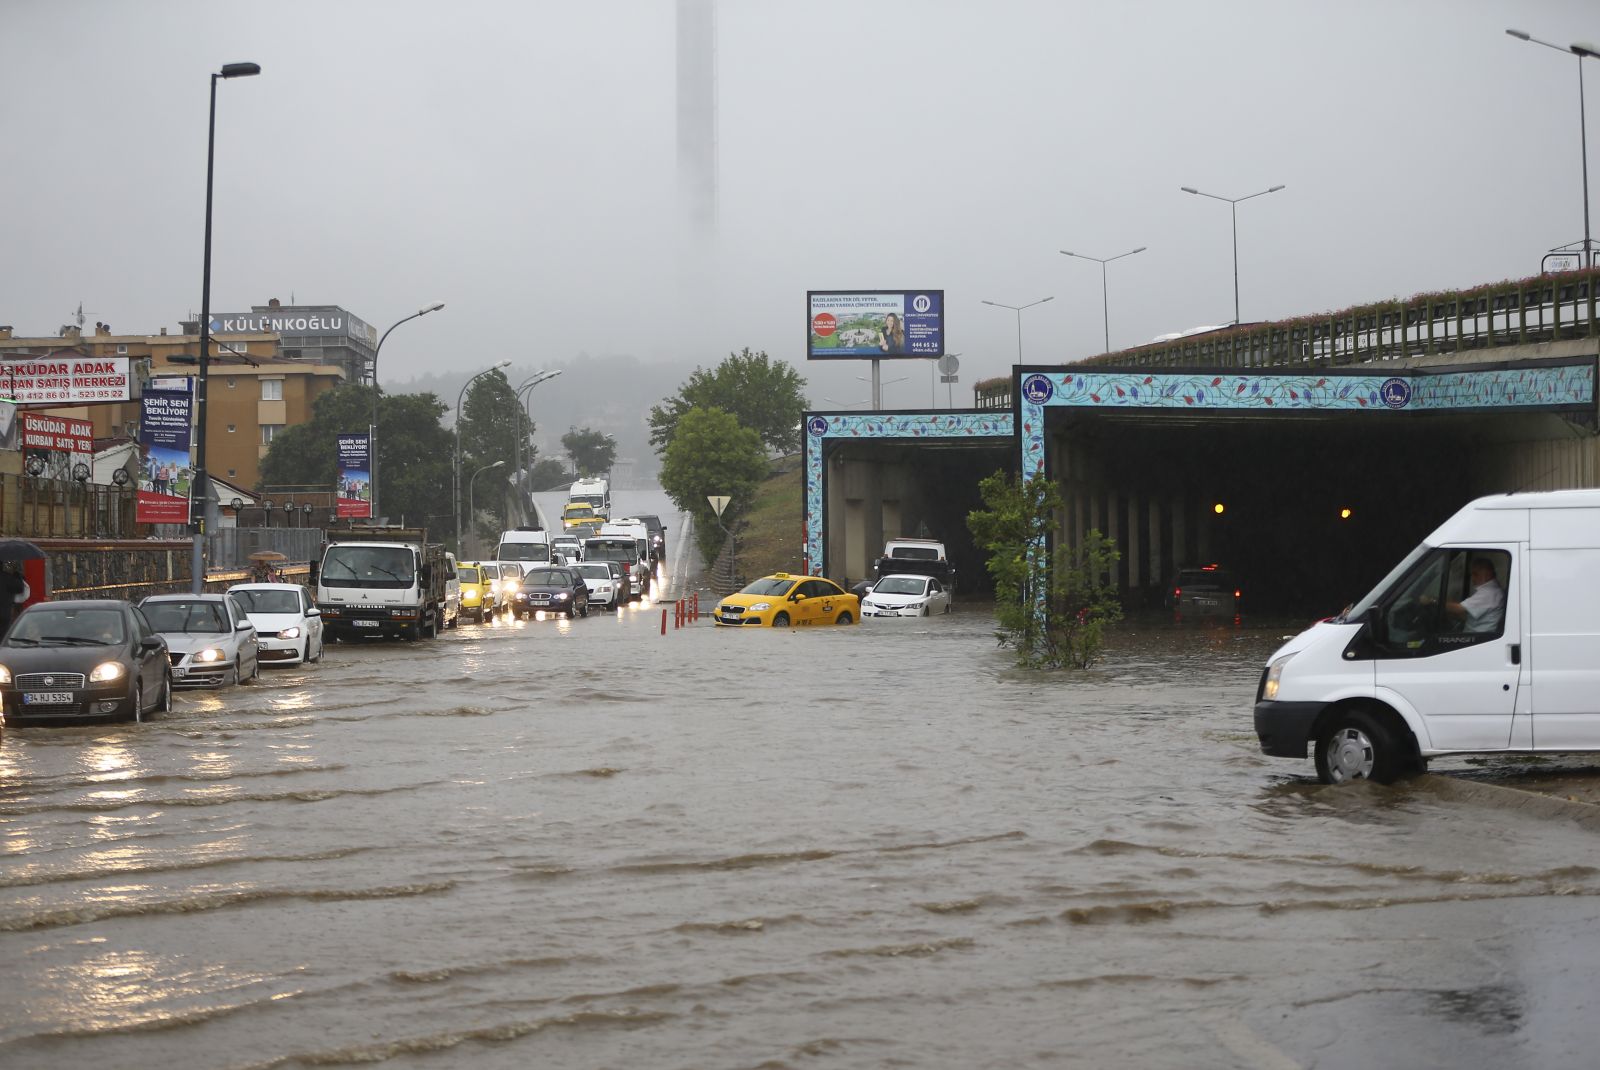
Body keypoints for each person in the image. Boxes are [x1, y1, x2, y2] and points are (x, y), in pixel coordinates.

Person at [1424, 557, 1504, 633]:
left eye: (1475, 574)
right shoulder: (1491, 591)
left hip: (1476, 639)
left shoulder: (1488, 593)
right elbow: (1469, 615)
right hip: (1475, 634)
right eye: (1472, 574)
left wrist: (1432, 601)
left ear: (1488, 574)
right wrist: (1449, 612)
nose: (1472, 578)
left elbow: (1458, 609)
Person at [0, 562, 28, 637]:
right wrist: (17, 575)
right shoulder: (7, 578)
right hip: (4, 613)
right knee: (4, 636)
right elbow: (20, 589)